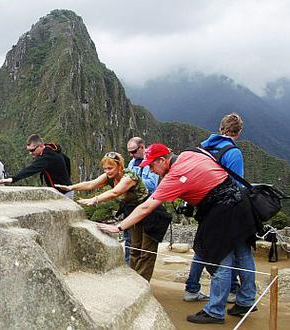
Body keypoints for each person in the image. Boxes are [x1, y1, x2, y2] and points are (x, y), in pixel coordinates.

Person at [97, 144, 257, 324]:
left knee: (219, 260)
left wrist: (119, 227)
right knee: (243, 254)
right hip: (241, 203)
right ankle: (246, 300)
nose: (151, 170)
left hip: (221, 210)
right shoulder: (189, 153)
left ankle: (215, 311)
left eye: (151, 165)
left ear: (162, 160)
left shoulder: (173, 176)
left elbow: (147, 206)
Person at [56, 152, 170, 282]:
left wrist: (95, 199)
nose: (107, 171)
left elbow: (115, 192)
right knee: (135, 248)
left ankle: (142, 281)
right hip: (133, 213)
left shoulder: (129, 177)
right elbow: (91, 184)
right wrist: (71, 187)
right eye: (105, 168)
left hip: (150, 213)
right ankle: (133, 280)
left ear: (119, 166)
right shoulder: (109, 177)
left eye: (110, 168)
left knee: (146, 252)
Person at [184, 113, 246, 303]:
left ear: (221, 128)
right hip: (223, 208)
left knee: (202, 247)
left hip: (203, 204)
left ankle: (192, 287)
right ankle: (232, 290)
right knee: (229, 248)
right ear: (239, 131)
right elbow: (236, 185)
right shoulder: (233, 152)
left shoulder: (204, 147)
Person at [0, 134, 73, 198]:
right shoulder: (52, 149)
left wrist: (13, 179)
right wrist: (67, 178)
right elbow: (67, 159)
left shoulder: (47, 157)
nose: (30, 153)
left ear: (41, 146)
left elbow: (31, 169)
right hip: (66, 189)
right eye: (29, 150)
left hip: (64, 192)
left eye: (32, 150)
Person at [125, 137, 160, 265]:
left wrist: (134, 180)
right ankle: (129, 267)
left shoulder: (152, 162)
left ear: (142, 148)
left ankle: (141, 272)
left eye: (133, 151)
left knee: (145, 244)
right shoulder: (132, 162)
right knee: (131, 241)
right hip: (132, 204)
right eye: (129, 152)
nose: (131, 155)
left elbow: (152, 184)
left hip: (148, 204)